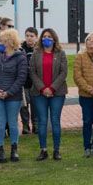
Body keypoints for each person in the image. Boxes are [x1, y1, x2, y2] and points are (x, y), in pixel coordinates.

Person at [0, 28, 28, 163]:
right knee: (0, 123)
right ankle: (0, 149)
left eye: (2, 41)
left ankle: (14, 149)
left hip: (13, 97)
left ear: (10, 42)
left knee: (12, 123)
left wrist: (8, 92)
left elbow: (21, 78)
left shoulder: (21, 58)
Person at [29, 28, 68, 161]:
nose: (47, 38)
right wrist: (42, 88)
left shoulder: (61, 53)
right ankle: (43, 150)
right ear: (41, 39)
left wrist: (51, 88)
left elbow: (64, 72)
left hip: (57, 93)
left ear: (54, 39)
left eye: (50, 37)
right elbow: (32, 72)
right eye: (45, 36)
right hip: (39, 93)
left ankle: (56, 150)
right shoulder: (36, 53)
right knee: (42, 121)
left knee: (55, 121)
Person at [20, 27, 38, 134]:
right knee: (24, 106)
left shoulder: (39, 49)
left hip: (36, 83)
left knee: (35, 105)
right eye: (27, 36)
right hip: (23, 83)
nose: (29, 38)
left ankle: (36, 124)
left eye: (32, 36)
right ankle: (25, 125)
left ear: (36, 37)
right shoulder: (20, 49)